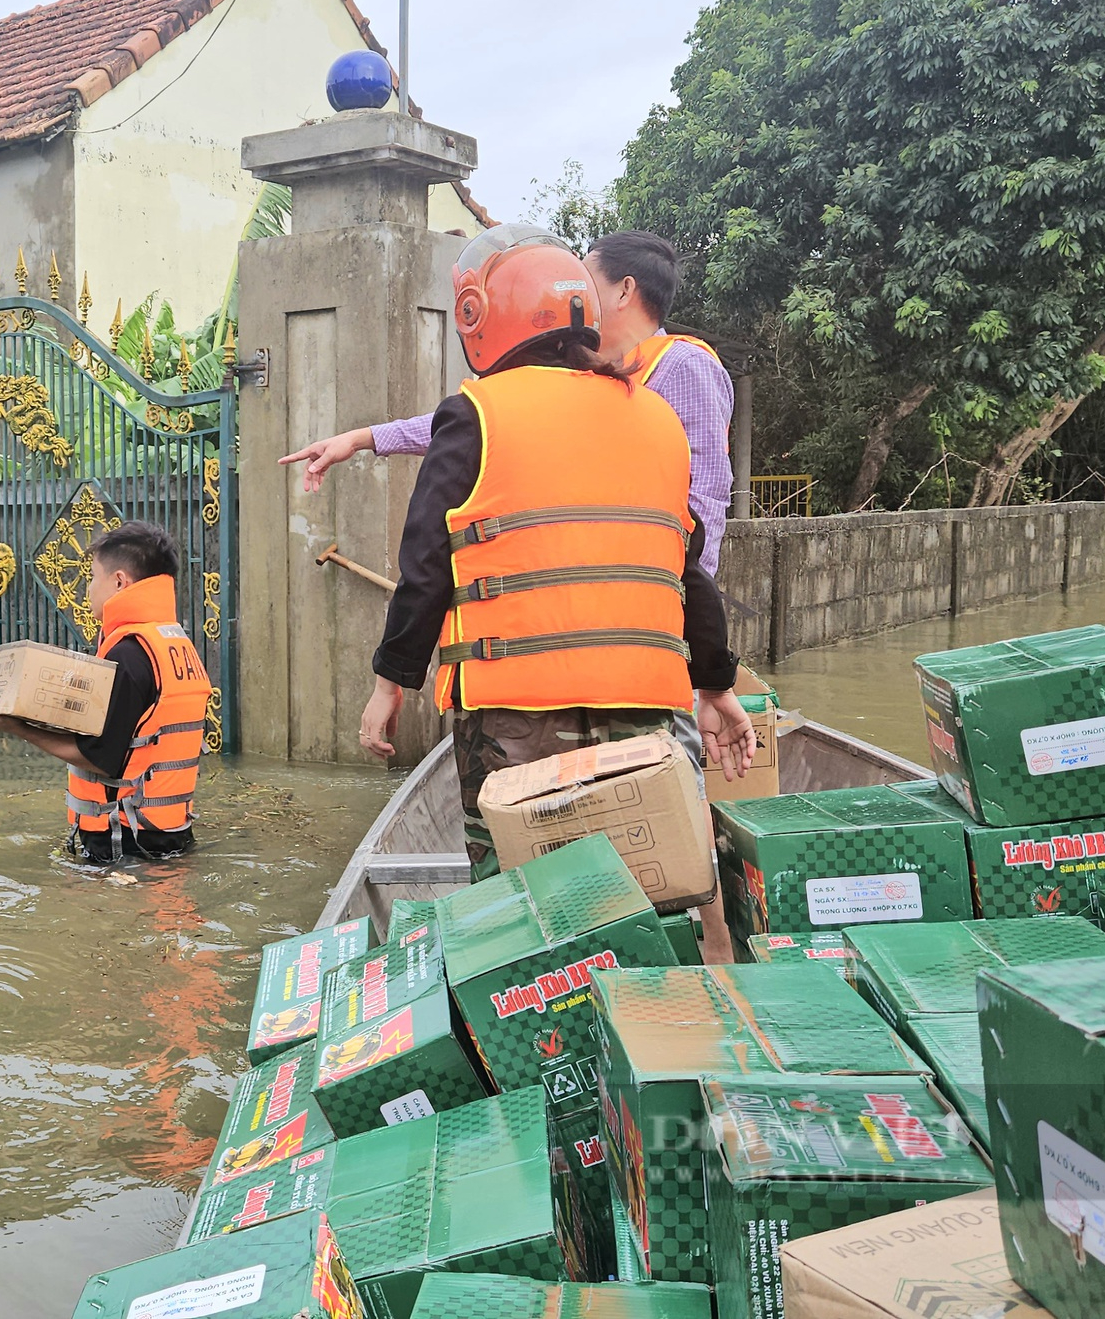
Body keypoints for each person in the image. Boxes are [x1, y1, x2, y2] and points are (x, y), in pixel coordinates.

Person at [357, 225, 756, 885]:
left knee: (527, 905)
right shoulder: (653, 415)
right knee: (641, 894)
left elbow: (427, 564)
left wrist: (389, 684)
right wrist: (714, 685)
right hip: (642, 719)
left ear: (483, 318)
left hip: (515, 721)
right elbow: (683, 572)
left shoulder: (477, 413)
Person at [280, 229, 736, 576]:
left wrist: (694, 622)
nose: (570, 288)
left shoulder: (682, 366)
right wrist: (364, 438)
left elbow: (706, 501)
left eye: (584, 278)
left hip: (651, 597)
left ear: (623, 290)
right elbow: (486, 420)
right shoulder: (585, 370)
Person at [0, 520, 211, 865]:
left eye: (92, 577)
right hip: (168, 834)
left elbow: (99, 757)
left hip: (124, 844)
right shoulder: (173, 642)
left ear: (119, 582)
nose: (87, 589)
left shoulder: (129, 653)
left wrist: (14, 727)